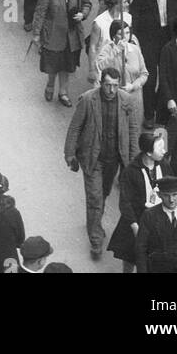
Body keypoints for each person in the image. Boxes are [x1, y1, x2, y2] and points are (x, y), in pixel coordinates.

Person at [64, 67, 140, 260]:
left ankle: (93, 221)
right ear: (101, 83)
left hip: (114, 159)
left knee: (103, 193)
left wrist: (132, 161)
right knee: (95, 197)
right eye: (107, 85)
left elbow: (132, 132)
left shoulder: (126, 100)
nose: (111, 90)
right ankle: (96, 239)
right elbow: (75, 127)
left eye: (115, 86)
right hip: (93, 157)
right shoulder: (89, 99)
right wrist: (69, 153)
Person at [30, 0, 92, 106]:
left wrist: (82, 14)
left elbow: (87, 3)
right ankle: (50, 84)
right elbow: (40, 10)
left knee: (67, 65)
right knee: (53, 64)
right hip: (53, 33)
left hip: (72, 34)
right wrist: (36, 34)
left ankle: (63, 93)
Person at [108, 127, 170, 273]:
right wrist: (135, 225)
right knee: (130, 257)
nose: (164, 151)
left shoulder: (164, 165)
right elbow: (125, 202)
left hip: (158, 219)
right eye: (160, 148)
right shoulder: (131, 171)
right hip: (137, 221)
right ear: (148, 152)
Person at [95, 19, 150, 125]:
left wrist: (133, 86)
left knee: (134, 129)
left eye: (128, 33)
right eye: (121, 34)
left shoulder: (135, 49)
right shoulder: (107, 49)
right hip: (114, 97)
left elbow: (144, 74)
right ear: (114, 35)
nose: (125, 37)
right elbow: (101, 65)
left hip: (134, 97)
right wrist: (116, 51)